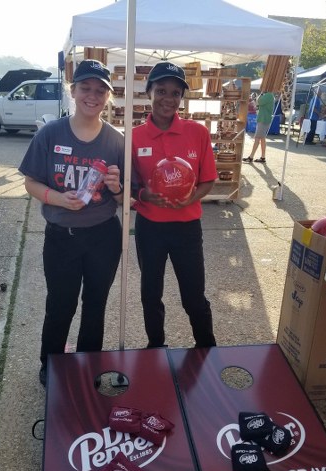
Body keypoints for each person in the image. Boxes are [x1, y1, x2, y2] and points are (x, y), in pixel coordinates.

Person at [18, 59, 124, 387]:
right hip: (61, 235)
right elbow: (30, 182)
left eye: (99, 90)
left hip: (103, 236)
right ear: (73, 90)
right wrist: (58, 198)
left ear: (108, 96)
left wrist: (117, 188)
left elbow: (125, 201)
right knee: (61, 304)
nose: (92, 96)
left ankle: (89, 363)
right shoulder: (52, 133)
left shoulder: (116, 141)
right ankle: (51, 363)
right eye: (85, 88)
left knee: (95, 304)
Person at [131, 61, 217, 349]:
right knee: (150, 293)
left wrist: (191, 197)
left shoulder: (198, 133)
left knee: (193, 296)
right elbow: (130, 186)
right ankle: (156, 347)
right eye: (161, 91)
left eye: (175, 93)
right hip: (150, 228)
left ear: (182, 97)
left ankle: (206, 347)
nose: (168, 99)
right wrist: (144, 196)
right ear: (149, 92)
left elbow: (208, 180)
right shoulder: (134, 137)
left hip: (187, 228)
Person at [243, 90, 275, 163]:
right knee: (262, 138)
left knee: (257, 138)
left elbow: (258, 102)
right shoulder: (270, 95)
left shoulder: (268, 95)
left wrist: (261, 93)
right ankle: (263, 157)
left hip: (263, 119)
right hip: (264, 119)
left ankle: (251, 157)